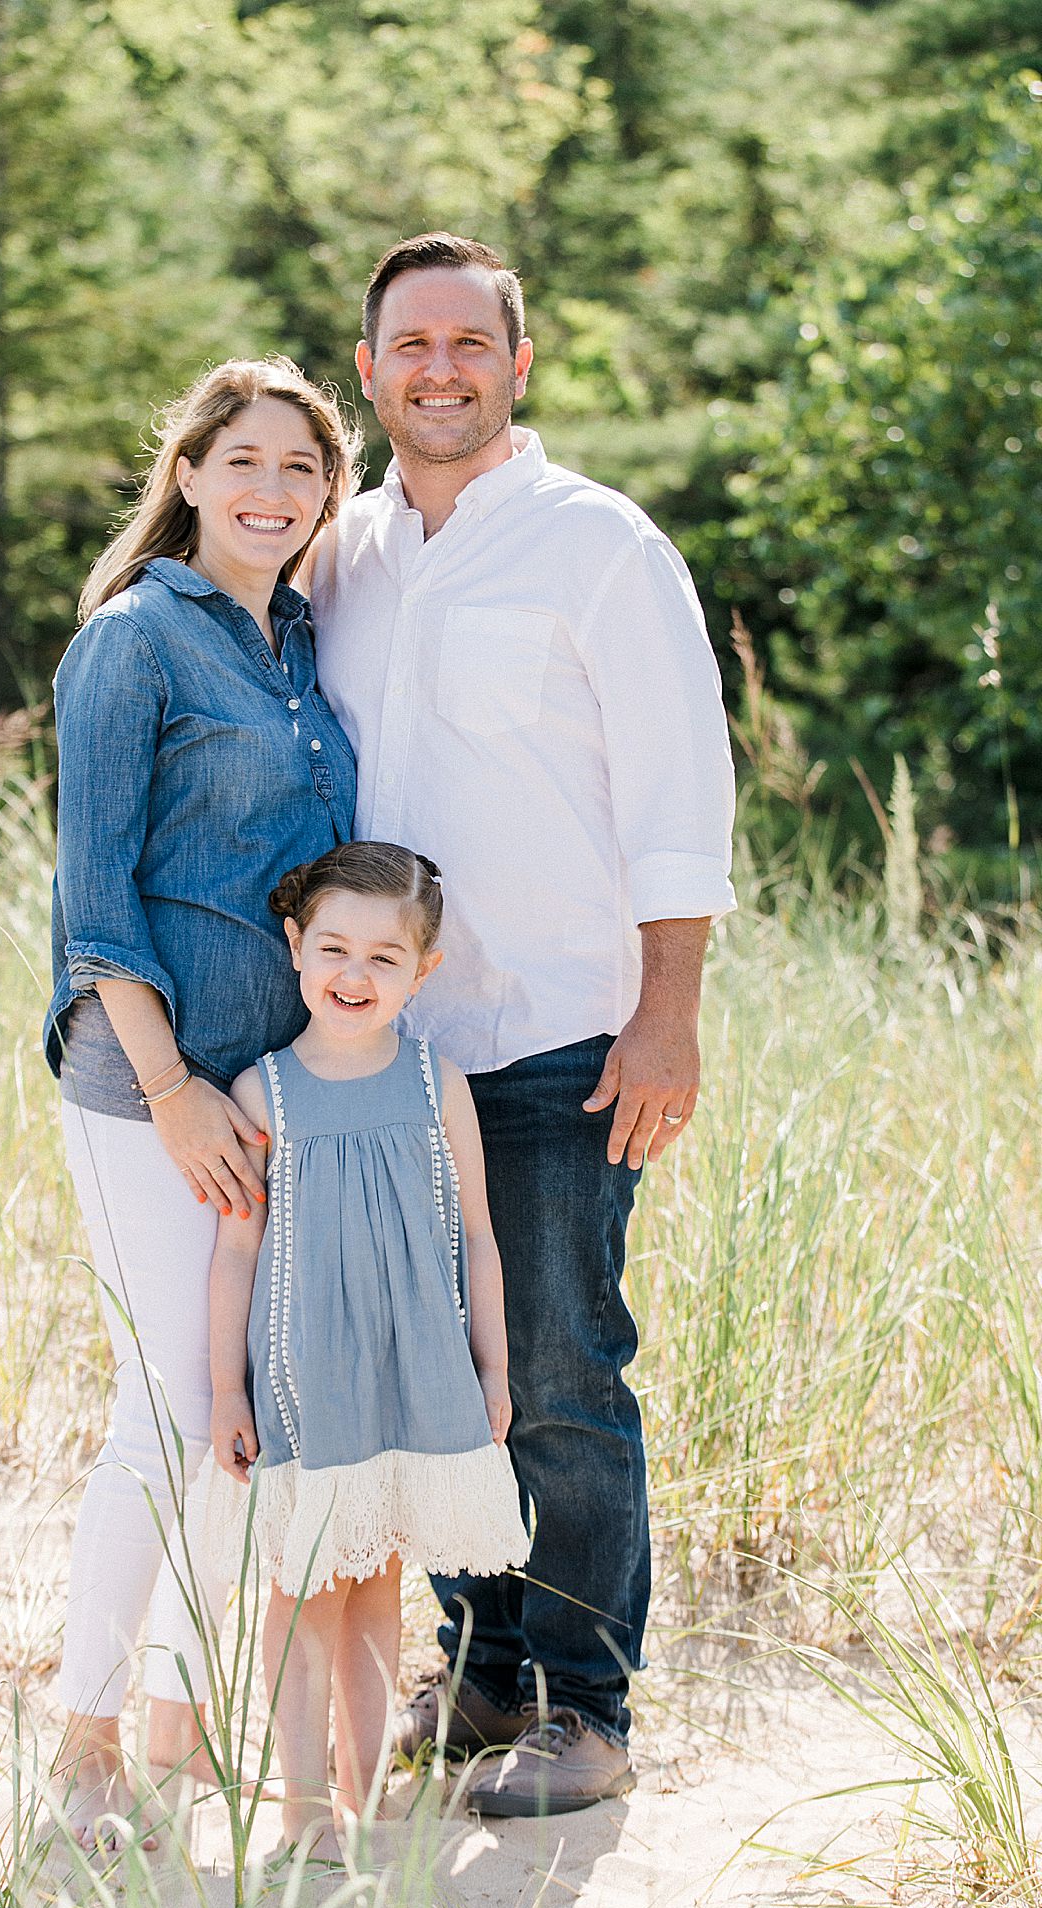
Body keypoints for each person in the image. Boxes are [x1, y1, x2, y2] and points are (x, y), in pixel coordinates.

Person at [306, 233, 737, 1816]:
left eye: (468, 343)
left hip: (561, 1032)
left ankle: (586, 1711)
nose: (438, 369)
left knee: (559, 1366)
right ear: (370, 370)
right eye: (407, 345)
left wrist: (669, 1015)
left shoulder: (601, 546)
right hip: (394, 1049)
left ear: (518, 364)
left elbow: (683, 792)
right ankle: (482, 1676)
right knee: (445, 1373)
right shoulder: (340, 555)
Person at [41, 357, 360, 1849]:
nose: (272, 491)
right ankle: (85, 1741)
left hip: (279, 1093)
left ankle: (177, 1738)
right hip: (148, 1090)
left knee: (240, 1421)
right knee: (170, 1411)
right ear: (188, 473)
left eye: (302, 468)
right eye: (245, 460)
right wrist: (172, 1092)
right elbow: (96, 909)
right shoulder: (132, 645)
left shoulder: (299, 643)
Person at [201, 841, 530, 1862]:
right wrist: (226, 1388)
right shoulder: (264, 1095)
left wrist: (492, 1370)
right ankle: (300, 1815)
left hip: (409, 1375)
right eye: (334, 948)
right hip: (308, 1381)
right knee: (302, 1594)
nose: (354, 974)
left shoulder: (437, 1084)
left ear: (421, 972)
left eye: (384, 958)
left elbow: (475, 1232)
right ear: (296, 949)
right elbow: (235, 1253)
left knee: (379, 1587)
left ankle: (362, 1800)